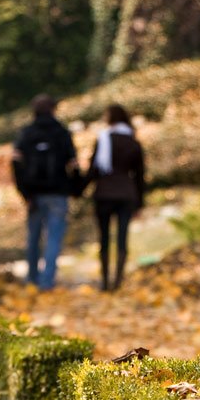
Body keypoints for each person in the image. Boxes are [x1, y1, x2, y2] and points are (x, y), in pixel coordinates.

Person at [12, 94, 79, 291]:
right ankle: (46, 281)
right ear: (52, 109)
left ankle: (31, 278)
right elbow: (73, 163)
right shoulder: (61, 132)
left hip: (33, 193)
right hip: (57, 192)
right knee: (53, 237)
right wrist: (75, 188)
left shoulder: (26, 133)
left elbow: (16, 164)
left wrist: (24, 193)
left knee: (33, 237)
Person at [87, 104, 145, 291]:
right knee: (122, 237)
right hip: (126, 194)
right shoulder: (133, 142)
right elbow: (140, 176)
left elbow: (94, 170)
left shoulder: (103, 139)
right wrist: (139, 203)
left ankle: (105, 282)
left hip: (104, 193)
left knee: (103, 238)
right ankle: (117, 282)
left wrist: (77, 188)